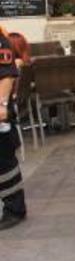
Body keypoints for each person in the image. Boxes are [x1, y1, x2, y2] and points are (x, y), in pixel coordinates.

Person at [0, 30, 25, 231]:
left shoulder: (1, 43)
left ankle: (15, 209)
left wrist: (1, 106)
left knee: (4, 163)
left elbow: (6, 77)